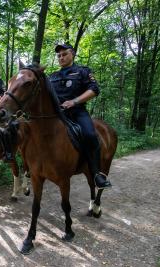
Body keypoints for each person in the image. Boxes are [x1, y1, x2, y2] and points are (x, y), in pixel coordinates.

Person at [48, 44, 111, 189]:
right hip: (56, 115)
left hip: (77, 113)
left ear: (73, 54)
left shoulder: (83, 71)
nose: (61, 58)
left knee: (90, 134)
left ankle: (96, 173)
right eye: (59, 56)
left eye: (64, 54)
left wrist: (74, 101)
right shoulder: (52, 76)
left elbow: (94, 90)